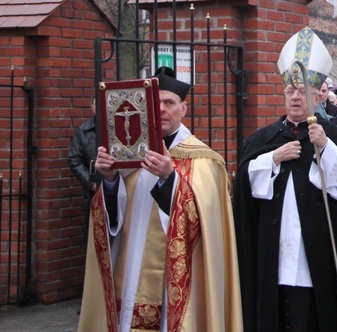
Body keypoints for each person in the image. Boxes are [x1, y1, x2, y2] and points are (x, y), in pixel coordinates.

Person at [233, 27, 337, 331]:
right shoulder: (264, 139)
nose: (296, 97)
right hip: (271, 248)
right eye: (290, 91)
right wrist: (272, 159)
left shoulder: (336, 137)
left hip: (319, 250)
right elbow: (243, 188)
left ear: (316, 95)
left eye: (303, 92)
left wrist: (325, 148)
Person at [80, 66, 242, 331]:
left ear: (183, 109)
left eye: (170, 102)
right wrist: (110, 180)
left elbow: (205, 228)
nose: (163, 109)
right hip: (131, 275)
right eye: (157, 103)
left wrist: (170, 179)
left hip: (179, 286)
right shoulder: (128, 156)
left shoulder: (204, 160)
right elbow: (110, 224)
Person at [68, 96, 102, 244]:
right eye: (97, 104)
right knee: (93, 241)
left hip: (119, 190)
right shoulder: (84, 131)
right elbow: (74, 159)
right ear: (91, 106)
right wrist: (91, 183)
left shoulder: (118, 128)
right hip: (93, 194)